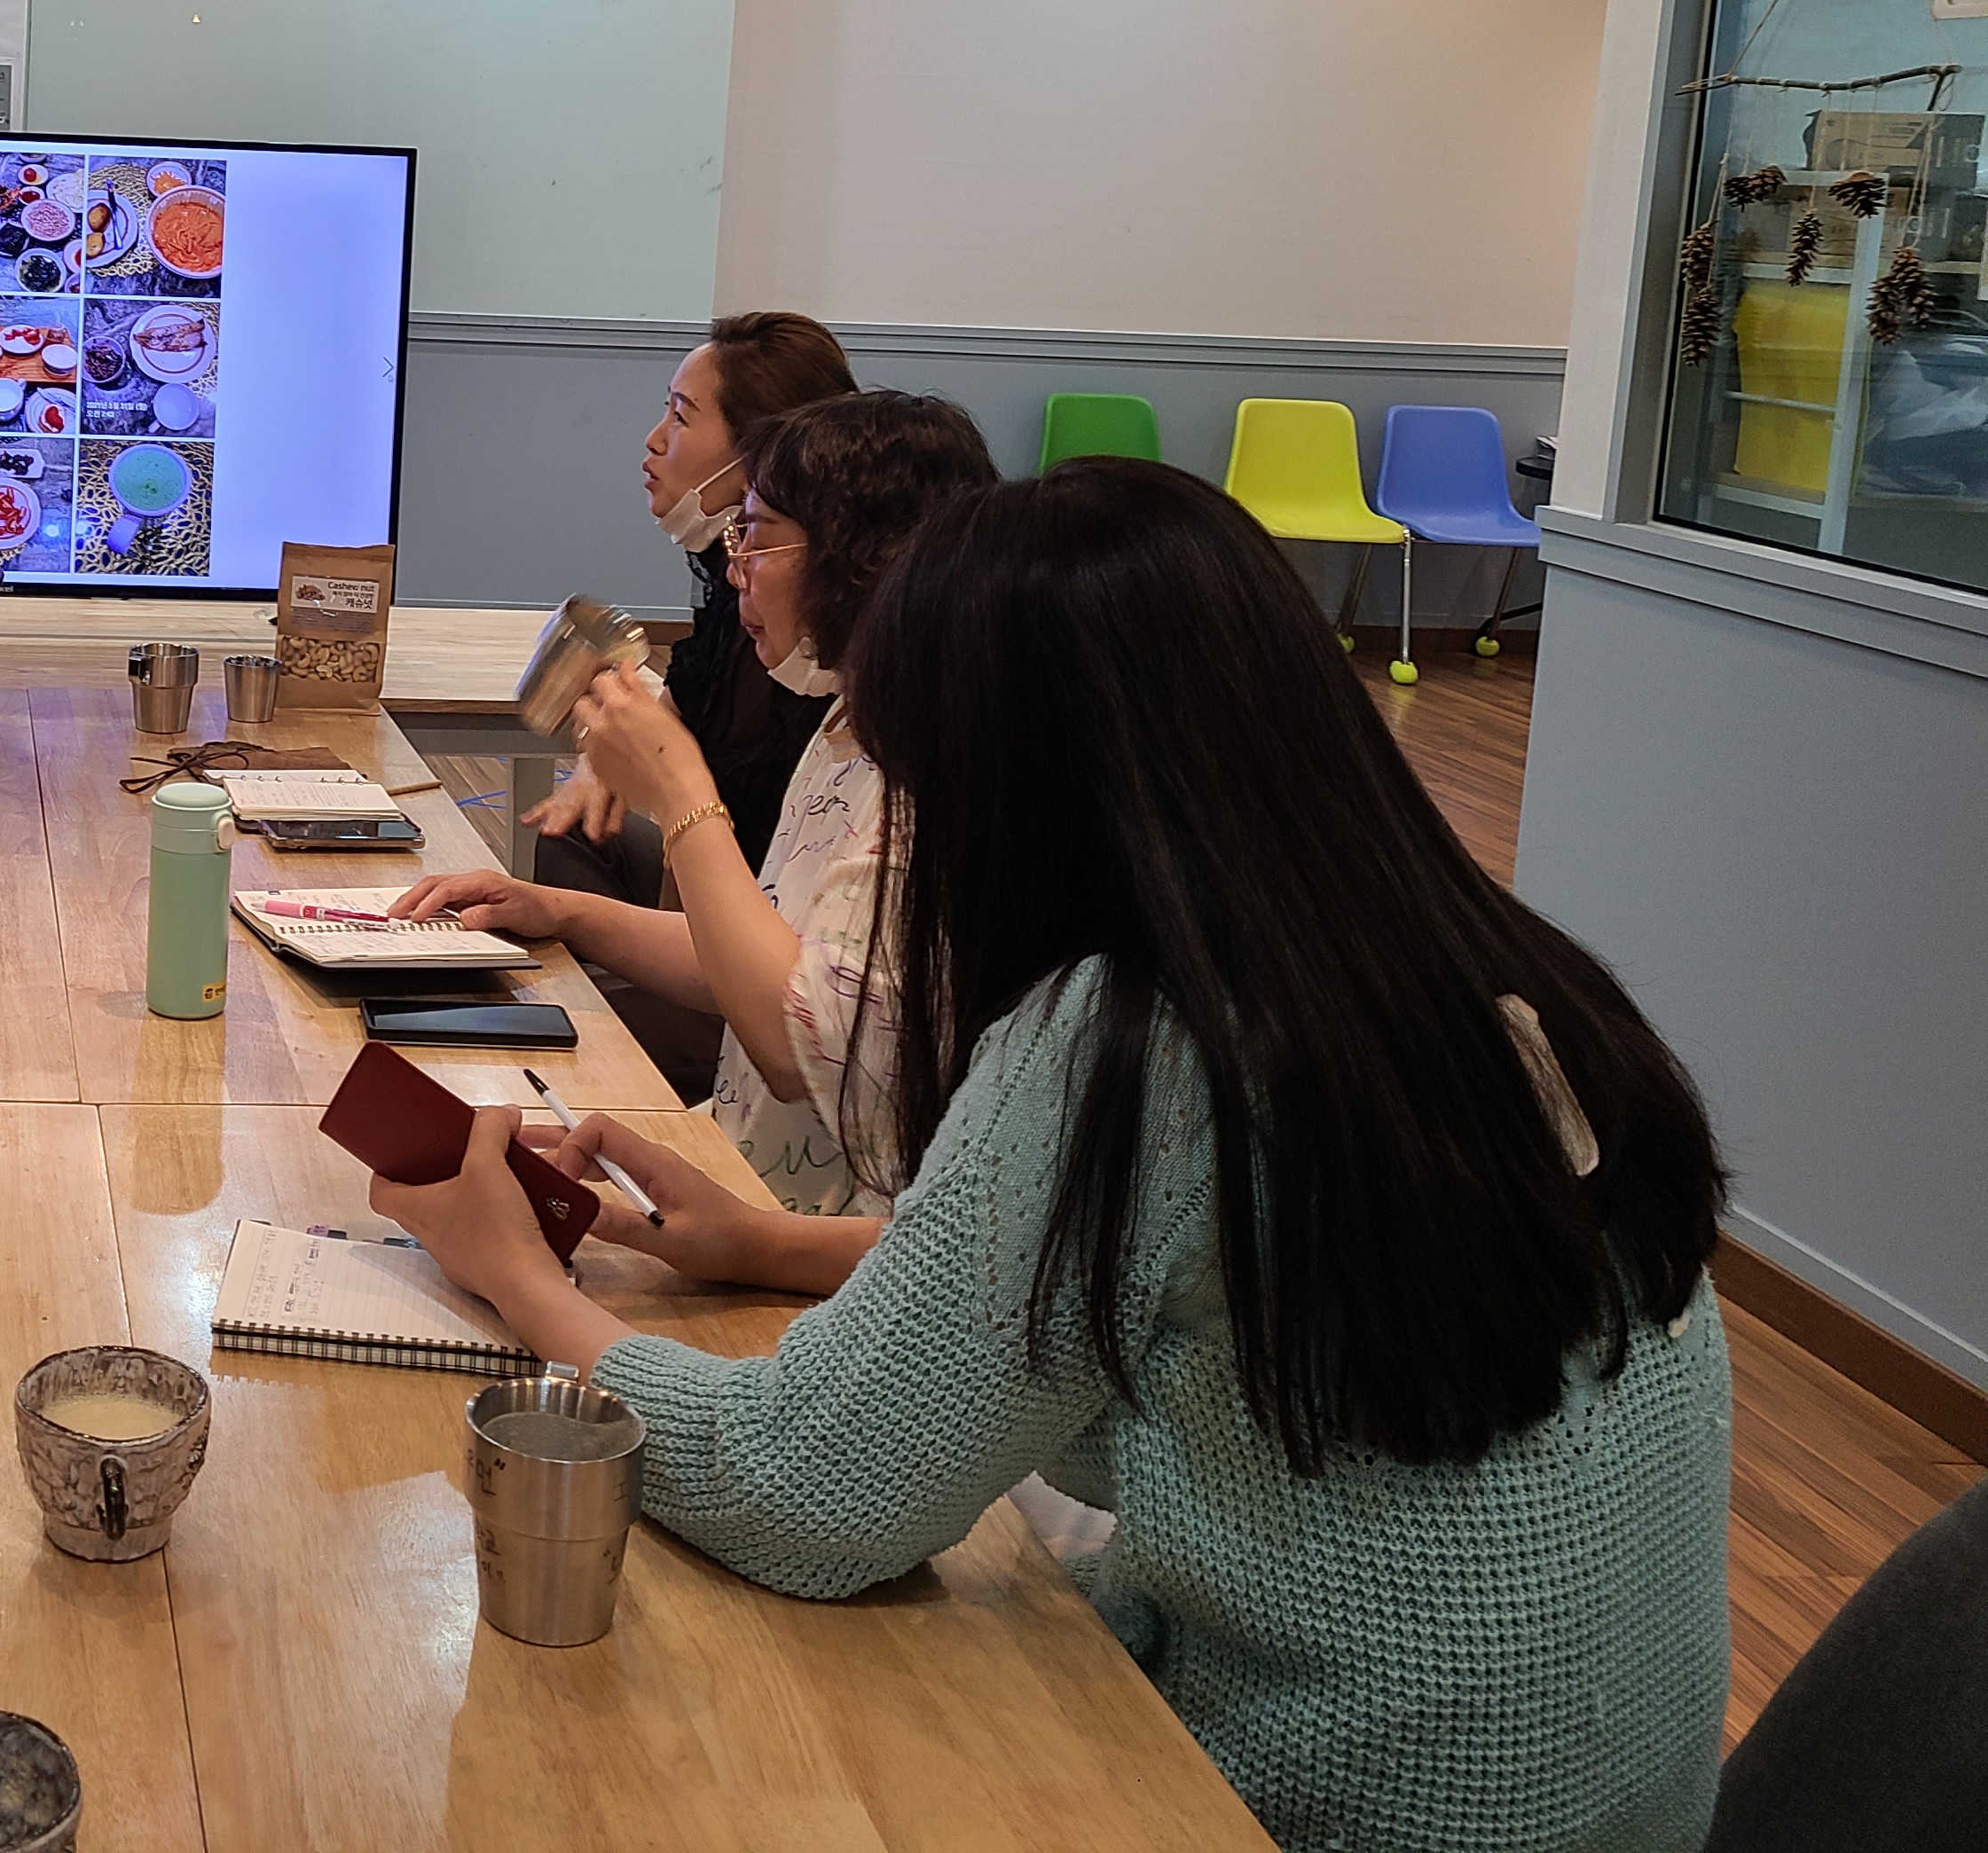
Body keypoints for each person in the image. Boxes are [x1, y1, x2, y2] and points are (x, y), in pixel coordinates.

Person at [371, 459, 1735, 1853]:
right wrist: (771, 1243)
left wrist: (521, 1285)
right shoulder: (1510, 977)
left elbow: (797, 1494)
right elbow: (1177, 1319)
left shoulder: (1142, 1042)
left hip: (1304, 1811)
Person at [397, 394, 996, 1256]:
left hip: (820, 1252)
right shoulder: (847, 723)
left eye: (759, 536)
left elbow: (794, 1047)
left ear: (863, 558)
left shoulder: (931, 777)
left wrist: (683, 791)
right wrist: (561, 912)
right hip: (742, 1181)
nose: (736, 565)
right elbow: (761, 960)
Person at [538, 313, 858, 1094]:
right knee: (569, 838)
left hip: (776, 972)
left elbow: (795, 1031)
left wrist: (673, 783)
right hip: (743, 936)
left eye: (681, 418)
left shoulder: (831, 690)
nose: (654, 441)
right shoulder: (730, 591)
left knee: (567, 1035)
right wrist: (611, 762)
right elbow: (683, 710)